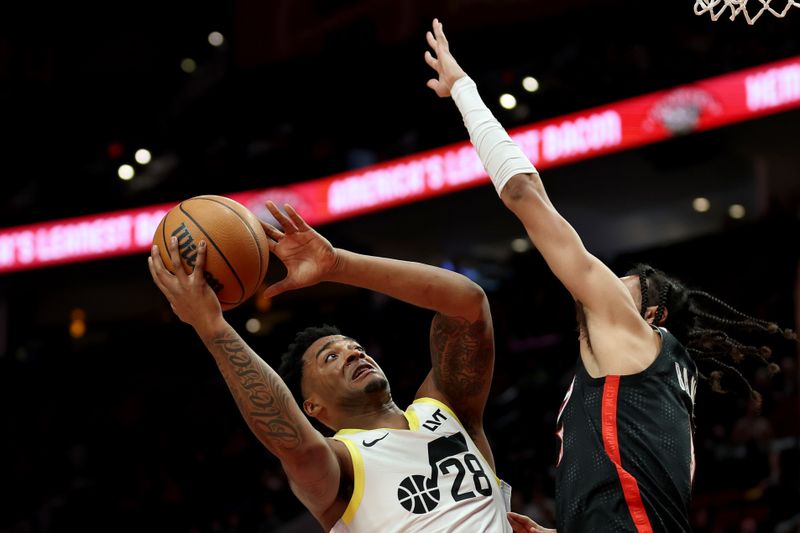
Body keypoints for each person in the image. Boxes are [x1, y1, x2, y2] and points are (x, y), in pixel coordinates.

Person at [423, 18, 795, 533]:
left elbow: (523, 194)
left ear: (650, 313)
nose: (603, 280)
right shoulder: (647, 382)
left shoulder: (635, 335)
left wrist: (464, 91)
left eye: (624, 282)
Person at [147, 200, 512, 532]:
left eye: (355, 348)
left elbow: (468, 305)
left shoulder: (445, 408)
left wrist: (338, 264)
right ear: (313, 407)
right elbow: (295, 444)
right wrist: (213, 328)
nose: (354, 354)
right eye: (332, 357)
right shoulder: (341, 462)